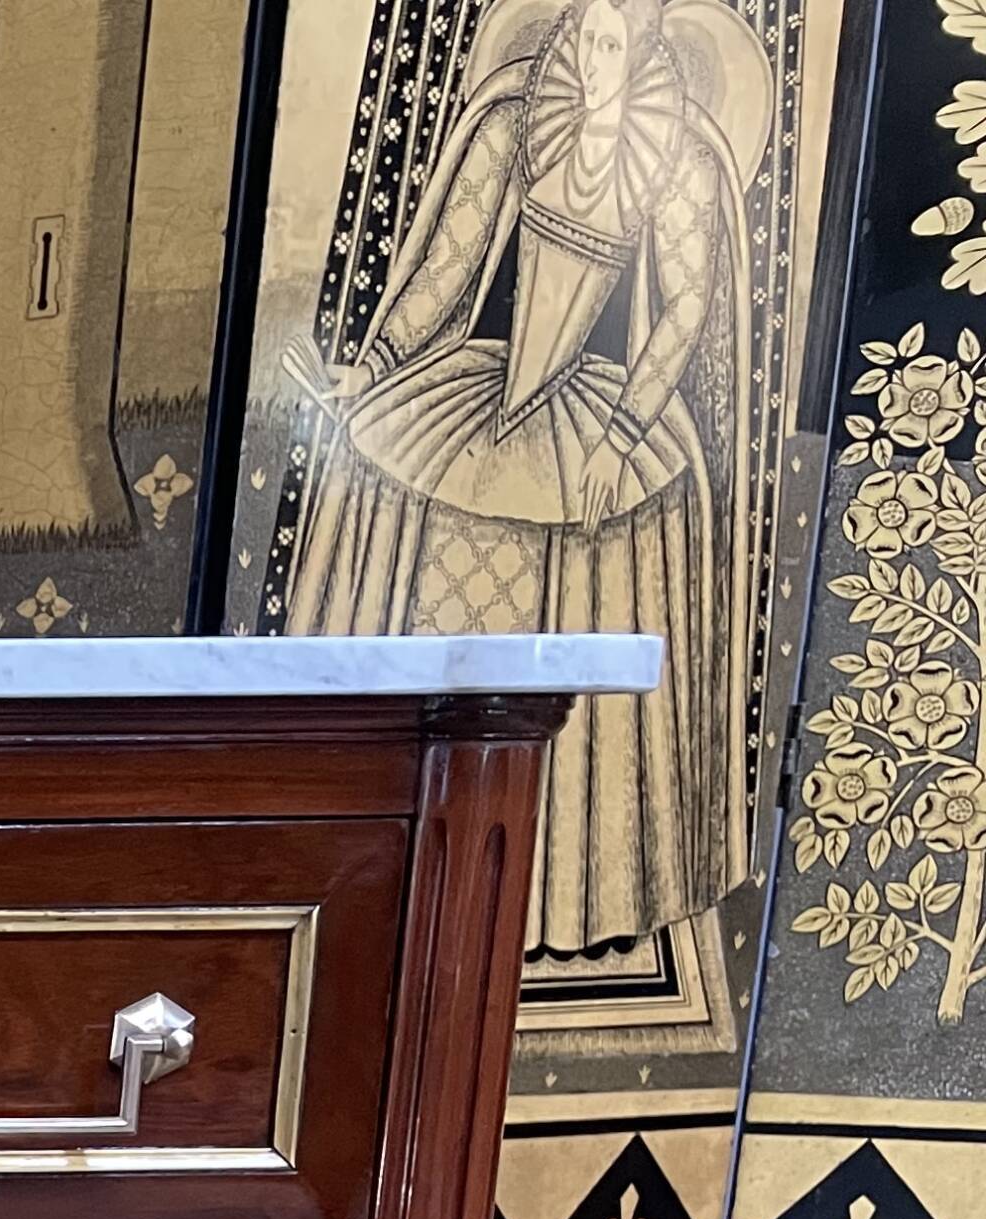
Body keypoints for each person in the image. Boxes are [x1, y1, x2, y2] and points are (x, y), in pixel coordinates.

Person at [288, 0, 769, 959]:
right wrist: (376, 367)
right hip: (482, 394)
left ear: (649, 55)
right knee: (403, 500)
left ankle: (561, 898)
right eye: (586, 37)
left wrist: (624, 434)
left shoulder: (677, 160)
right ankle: (372, 849)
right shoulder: (516, 119)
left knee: (600, 550)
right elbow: (443, 271)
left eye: (616, 44)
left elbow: (683, 313)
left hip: (603, 411)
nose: (596, 59)